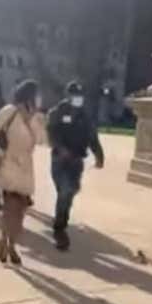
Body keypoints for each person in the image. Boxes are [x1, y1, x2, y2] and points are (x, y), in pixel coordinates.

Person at [0, 80, 45, 265]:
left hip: (26, 168)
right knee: (11, 208)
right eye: (37, 95)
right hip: (7, 163)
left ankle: (9, 241)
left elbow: (41, 140)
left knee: (20, 213)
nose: (40, 99)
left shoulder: (35, 117)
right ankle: (7, 244)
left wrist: (35, 121)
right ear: (29, 95)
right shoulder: (9, 112)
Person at [47, 82, 104, 251]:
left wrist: (99, 156)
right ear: (68, 95)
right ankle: (59, 229)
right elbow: (51, 132)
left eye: (80, 95)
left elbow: (92, 137)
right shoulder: (58, 112)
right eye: (74, 95)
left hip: (77, 161)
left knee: (70, 192)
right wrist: (60, 148)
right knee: (65, 191)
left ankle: (61, 220)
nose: (78, 98)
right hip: (60, 160)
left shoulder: (85, 116)